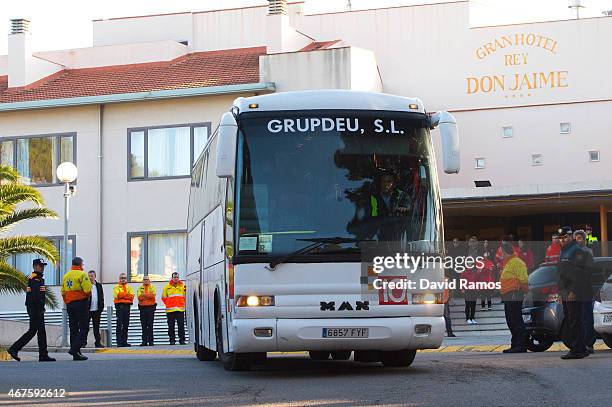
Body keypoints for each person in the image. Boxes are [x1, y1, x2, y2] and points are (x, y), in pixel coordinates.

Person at [6, 259, 56, 362]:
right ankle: (14, 348)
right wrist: (39, 309)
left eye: (43, 266)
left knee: (40, 331)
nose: (42, 268)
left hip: (35, 308)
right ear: (34, 267)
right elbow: (35, 296)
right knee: (33, 331)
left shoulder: (38, 278)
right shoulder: (35, 279)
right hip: (35, 309)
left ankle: (43, 355)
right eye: (40, 266)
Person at [558, 226, 592, 359]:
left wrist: (572, 291)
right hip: (565, 292)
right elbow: (562, 273)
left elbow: (579, 274)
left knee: (575, 321)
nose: (562, 240)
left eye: (565, 237)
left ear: (571, 236)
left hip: (573, 292)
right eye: (560, 238)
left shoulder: (576, 250)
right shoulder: (565, 251)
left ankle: (577, 349)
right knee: (571, 320)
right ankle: (581, 348)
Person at [499, 242, 529, 353]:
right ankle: (515, 344)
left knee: (515, 319)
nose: (501, 255)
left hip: (514, 294)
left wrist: (524, 291)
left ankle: (520, 345)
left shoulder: (516, 262)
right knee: (511, 320)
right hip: (509, 295)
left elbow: (524, 279)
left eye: (501, 252)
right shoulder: (508, 263)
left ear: (506, 252)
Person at [61, 257, 92, 361]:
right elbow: (88, 290)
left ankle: (76, 354)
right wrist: (87, 298)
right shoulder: (82, 274)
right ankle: (74, 349)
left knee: (73, 328)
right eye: (82, 265)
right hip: (81, 303)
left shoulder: (66, 276)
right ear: (80, 265)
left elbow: (63, 292)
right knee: (84, 327)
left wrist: (68, 301)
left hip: (70, 305)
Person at [162, 272, 186, 345]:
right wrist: (169, 303)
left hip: (180, 309)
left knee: (181, 326)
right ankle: (172, 340)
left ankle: (182, 340)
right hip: (170, 310)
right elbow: (163, 298)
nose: (176, 279)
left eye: (177, 277)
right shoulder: (167, 287)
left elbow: (185, 296)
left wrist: (182, 303)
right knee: (171, 326)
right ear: (172, 278)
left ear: (178, 278)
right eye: (174, 277)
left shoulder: (183, 286)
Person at [113, 273, 135, 347]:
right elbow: (117, 295)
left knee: (126, 325)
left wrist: (123, 295)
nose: (123, 279)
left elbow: (132, 297)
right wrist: (126, 295)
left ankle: (124, 342)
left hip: (127, 307)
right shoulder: (116, 287)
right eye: (121, 278)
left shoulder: (129, 287)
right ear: (119, 279)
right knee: (119, 325)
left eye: (124, 278)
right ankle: (119, 342)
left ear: (126, 279)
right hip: (119, 307)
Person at [85, 270, 104, 348]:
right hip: (88, 310)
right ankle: (83, 342)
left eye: (92, 276)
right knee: (85, 327)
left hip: (96, 310)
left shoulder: (99, 286)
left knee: (96, 327)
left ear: (95, 276)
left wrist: (101, 307)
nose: (90, 277)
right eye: (89, 276)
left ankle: (98, 342)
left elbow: (101, 297)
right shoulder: (86, 285)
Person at [137, 276, 157, 346]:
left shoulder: (152, 287)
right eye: (144, 280)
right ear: (142, 281)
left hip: (151, 308)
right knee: (144, 326)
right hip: (142, 308)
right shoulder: (140, 288)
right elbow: (139, 297)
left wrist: (144, 295)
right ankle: (144, 341)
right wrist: (148, 296)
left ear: (149, 280)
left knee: (150, 325)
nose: (146, 281)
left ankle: (151, 341)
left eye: (147, 279)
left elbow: (153, 296)